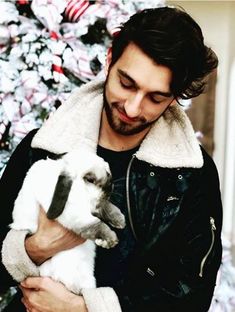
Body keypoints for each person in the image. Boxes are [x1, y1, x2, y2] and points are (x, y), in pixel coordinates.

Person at [0, 6, 222, 312]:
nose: (132, 108)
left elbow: (192, 296)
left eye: (155, 97)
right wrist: (36, 247)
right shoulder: (43, 147)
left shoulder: (192, 175)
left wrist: (85, 308)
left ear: (175, 97)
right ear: (109, 59)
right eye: (126, 83)